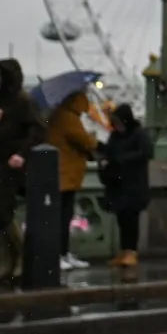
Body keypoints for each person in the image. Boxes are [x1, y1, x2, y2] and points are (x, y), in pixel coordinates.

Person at [0, 58, 45, 284]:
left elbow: (38, 130)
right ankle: (10, 260)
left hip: (11, 165)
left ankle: (20, 257)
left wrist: (21, 154)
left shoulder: (23, 101)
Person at [46, 89, 98, 271]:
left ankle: (63, 253)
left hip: (63, 173)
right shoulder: (67, 117)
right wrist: (94, 140)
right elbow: (85, 141)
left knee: (64, 215)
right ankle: (59, 254)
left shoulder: (59, 114)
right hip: (65, 174)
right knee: (62, 217)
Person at [96, 104, 152, 267]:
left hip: (134, 184)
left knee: (131, 219)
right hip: (119, 184)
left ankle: (131, 251)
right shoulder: (115, 136)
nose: (117, 126)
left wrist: (119, 159)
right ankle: (123, 251)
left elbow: (146, 153)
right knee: (122, 218)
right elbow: (109, 152)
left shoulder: (139, 134)